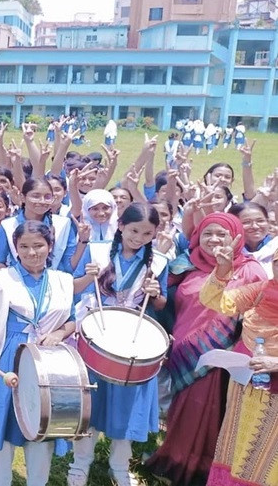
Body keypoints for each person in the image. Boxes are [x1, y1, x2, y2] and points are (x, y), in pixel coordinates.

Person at [147, 213, 267, 485]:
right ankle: (175, 458)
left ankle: (205, 469)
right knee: (181, 412)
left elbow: (260, 314)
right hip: (183, 353)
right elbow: (164, 304)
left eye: (221, 234)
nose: (214, 240)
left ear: (235, 237)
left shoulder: (250, 270)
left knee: (212, 414)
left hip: (224, 359)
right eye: (207, 233)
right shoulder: (184, 265)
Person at [0, 221, 76, 486]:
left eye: (38, 245)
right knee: (4, 414)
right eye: (24, 246)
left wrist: (59, 333)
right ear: (15, 248)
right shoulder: (0, 280)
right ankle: (0, 480)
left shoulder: (62, 281)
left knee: (41, 415)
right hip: (7, 354)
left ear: (50, 247)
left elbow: (73, 319)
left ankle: (38, 480)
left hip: (46, 356)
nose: (32, 252)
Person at [69, 203, 168, 486]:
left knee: (128, 406)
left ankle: (120, 465)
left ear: (154, 234)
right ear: (121, 225)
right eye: (134, 230)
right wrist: (88, 275)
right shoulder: (98, 250)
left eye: (147, 233)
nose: (138, 238)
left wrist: (156, 293)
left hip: (133, 340)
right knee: (90, 403)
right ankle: (81, 462)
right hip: (97, 334)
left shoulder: (158, 261)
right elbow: (76, 288)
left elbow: (160, 305)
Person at [200, 240, 278, 486]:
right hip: (248, 382)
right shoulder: (262, 290)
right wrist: (222, 270)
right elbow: (215, 300)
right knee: (237, 451)